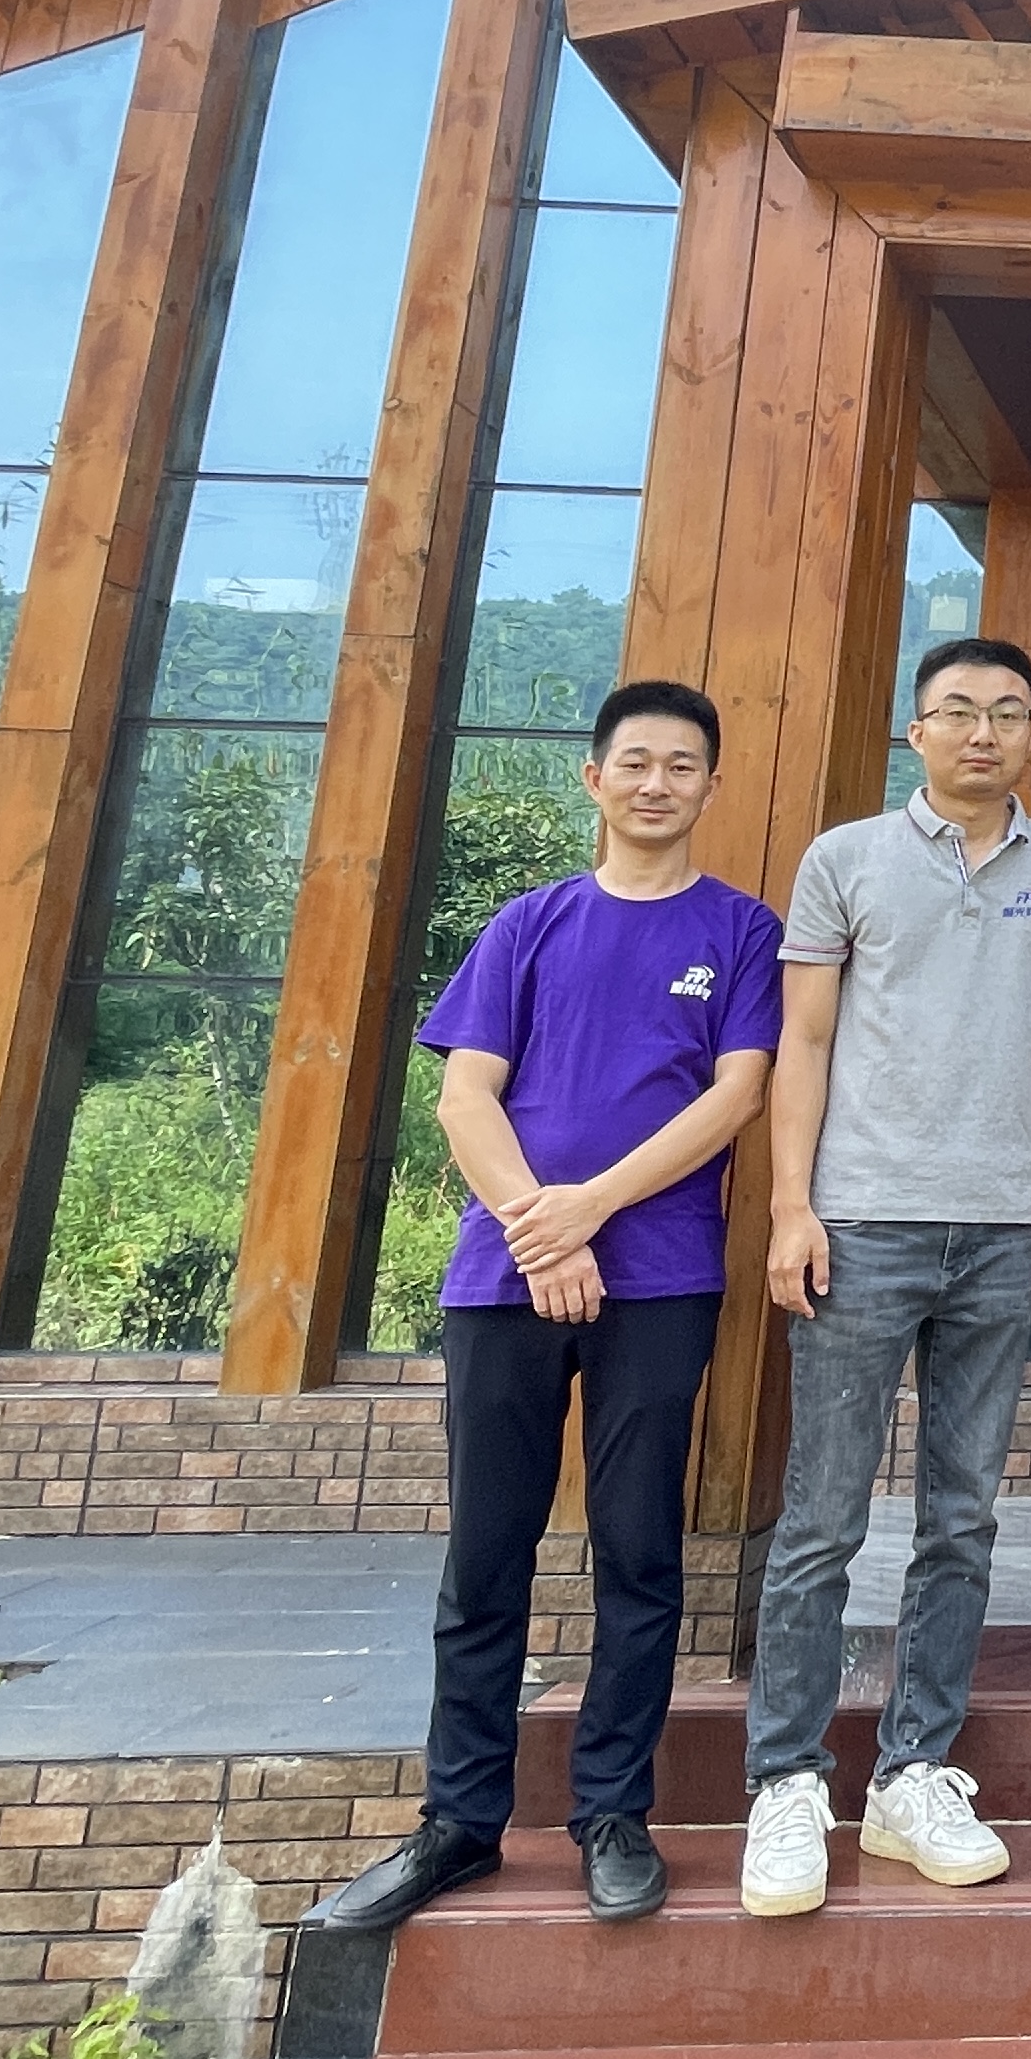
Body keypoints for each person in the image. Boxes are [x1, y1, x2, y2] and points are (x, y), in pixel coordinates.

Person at [310, 681, 779, 1932]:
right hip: (501, 1280)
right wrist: (537, 1227)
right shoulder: (528, 924)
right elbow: (465, 1096)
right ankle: (458, 1822)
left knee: (639, 1550)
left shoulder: (741, 931)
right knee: (485, 1554)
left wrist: (589, 1211)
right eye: (637, 761)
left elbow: (735, 1097)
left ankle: (612, 1812)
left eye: (683, 765)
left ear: (711, 786)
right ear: (595, 778)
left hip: (661, 1278)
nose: (658, 783)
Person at [739, 637, 1031, 1917]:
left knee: (962, 1516)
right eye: (958, 711)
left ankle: (913, 1773)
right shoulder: (845, 858)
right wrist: (792, 1205)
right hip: (862, 1222)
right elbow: (804, 1040)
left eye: (1007, 712)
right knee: (823, 1518)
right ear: (916, 731)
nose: (982, 733)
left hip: (1000, 1229)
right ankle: (786, 1781)